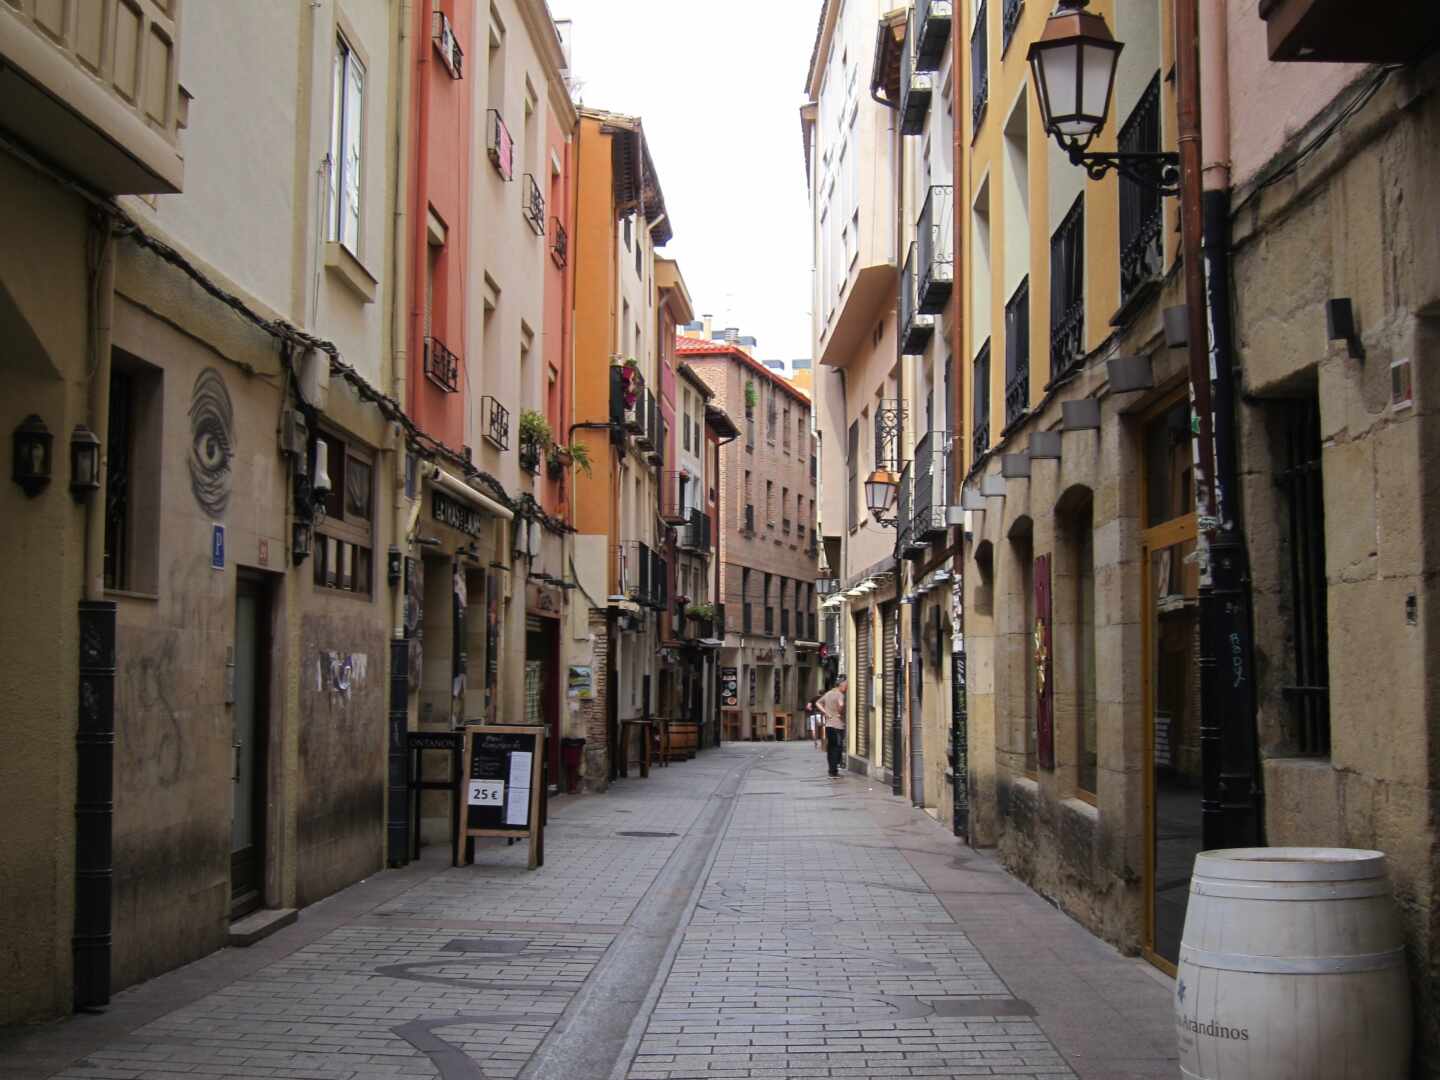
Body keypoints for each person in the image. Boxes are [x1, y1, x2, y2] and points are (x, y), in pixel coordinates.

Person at [815, 676, 848, 778]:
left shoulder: (828, 693)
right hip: (837, 725)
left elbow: (818, 703)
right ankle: (834, 770)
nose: (846, 688)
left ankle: (831, 770)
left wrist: (825, 712)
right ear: (841, 685)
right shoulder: (840, 694)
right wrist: (839, 711)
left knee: (831, 747)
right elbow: (841, 704)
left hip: (829, 724)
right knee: (837, 747)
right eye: (846, 686)